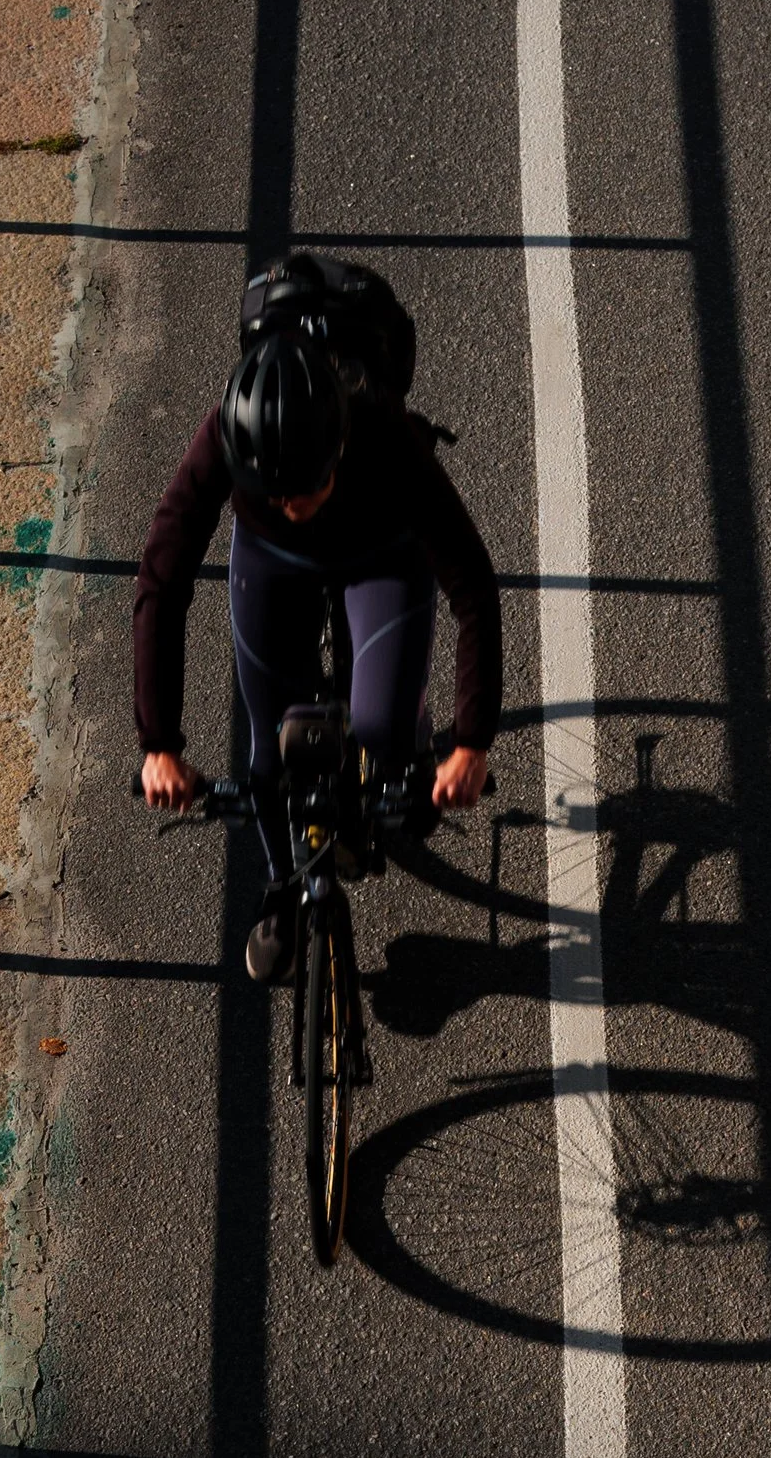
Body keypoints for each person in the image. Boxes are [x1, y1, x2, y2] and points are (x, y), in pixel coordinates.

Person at [134, 295, 502, 983]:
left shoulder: (386, 438)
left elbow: (473, 589)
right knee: (269, 755)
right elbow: (161, 580)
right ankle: (282, 890)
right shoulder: (223, 436)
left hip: (383, 552)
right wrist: (160, 743)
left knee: (383, 729)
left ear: (335, 446)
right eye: (264, 494)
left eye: (299, 490)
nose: (285, 506)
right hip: (273, 567)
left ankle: (405, 731)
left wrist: (472, 742)